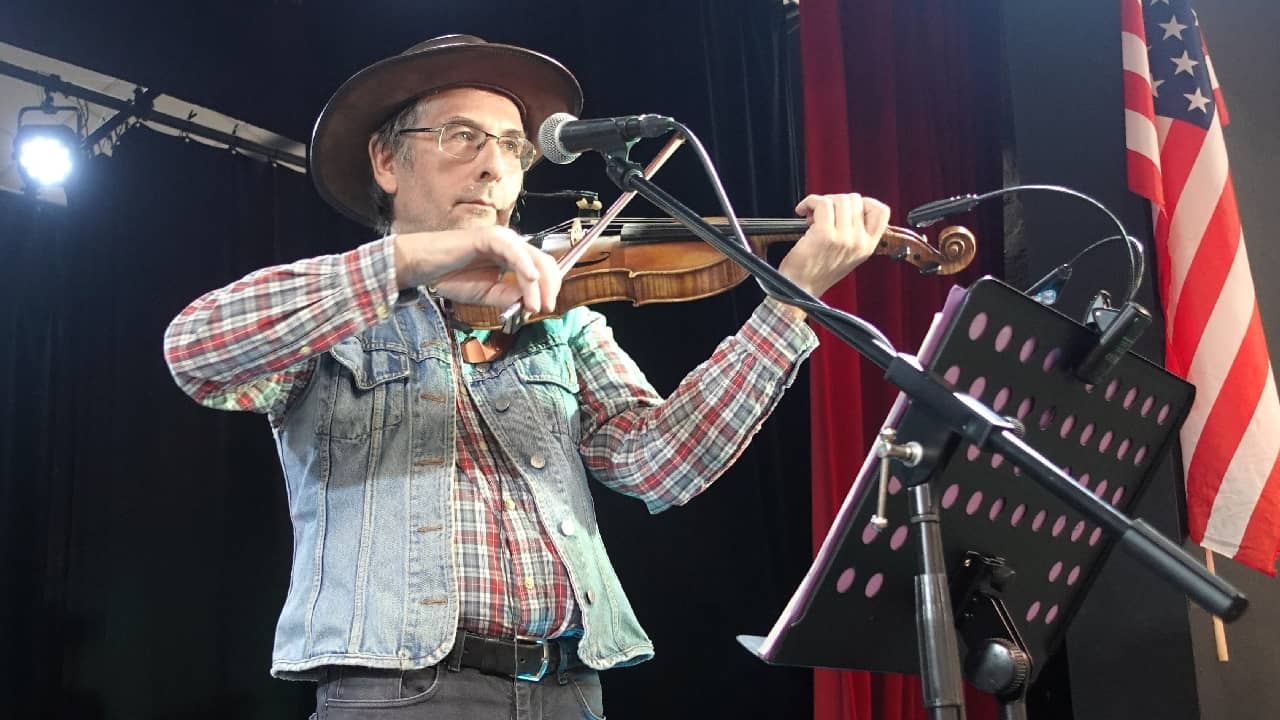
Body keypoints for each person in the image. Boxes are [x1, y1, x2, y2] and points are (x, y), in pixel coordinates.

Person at [164, 34, 889, 719]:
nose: (493, 166)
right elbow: (196, 350)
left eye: (511, 147)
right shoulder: (337, 311)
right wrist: (410, 263)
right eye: (461, 137)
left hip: (569, 689)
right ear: (387, 162)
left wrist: (790, 304)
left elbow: (659, 465)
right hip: (401, 696)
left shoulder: (560, 317)